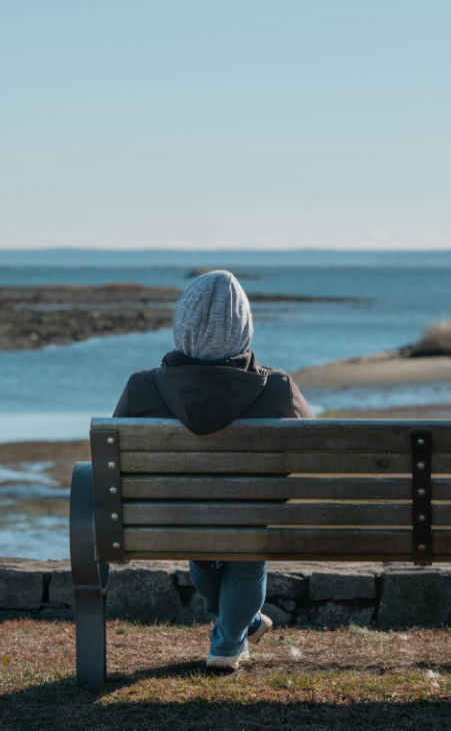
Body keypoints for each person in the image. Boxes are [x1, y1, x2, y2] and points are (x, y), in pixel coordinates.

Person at [113, 270, 314, 670]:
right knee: (247, 542)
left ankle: (236, 629)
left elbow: (113, 466)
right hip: (255, 520)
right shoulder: (278, 389)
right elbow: (314, 456)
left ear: (182, 325)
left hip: (176, 521)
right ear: (244, 329)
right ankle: (227, 644)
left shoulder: (141, 389)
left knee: (205, 535)